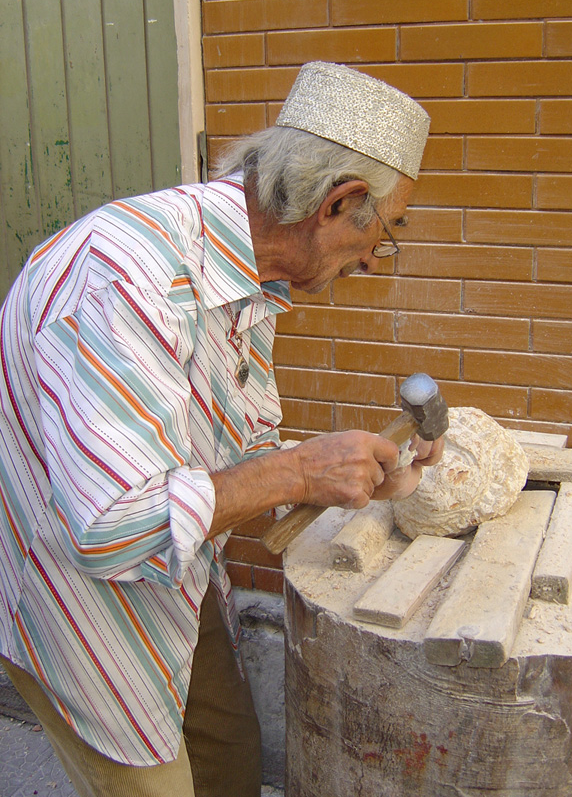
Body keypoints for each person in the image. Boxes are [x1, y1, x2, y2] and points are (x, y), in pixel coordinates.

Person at [0, 61, 443, 796]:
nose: (374, 260)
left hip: (180, 579)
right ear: (338, 202)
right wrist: (300, 471)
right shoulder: (129, 278)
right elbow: (110, 526)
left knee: (231, 762)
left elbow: (239, 458)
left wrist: (351, 474)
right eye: (384, 233)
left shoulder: (248, 281)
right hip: (82, 611)